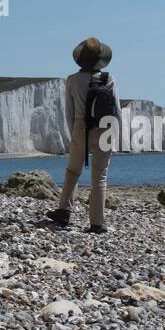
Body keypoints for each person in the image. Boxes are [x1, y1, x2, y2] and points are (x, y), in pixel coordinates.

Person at [47, 37, 120, 234]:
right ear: (100, 60)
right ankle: (97, 223)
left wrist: (74, 134)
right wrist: (115, 134)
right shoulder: (109, 79)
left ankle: (64, 211)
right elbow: (117, 110)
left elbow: (68, 112)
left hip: (81, 126)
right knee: (100, 177)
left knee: (73, 171)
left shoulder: (72, 80)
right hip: (106, 127)